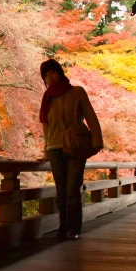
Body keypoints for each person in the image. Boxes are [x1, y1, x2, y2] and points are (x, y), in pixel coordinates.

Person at [38, 59, 103, 240]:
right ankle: (63, 227)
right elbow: (46, 127)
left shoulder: (76, 92)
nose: (49, 77)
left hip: (75, 145)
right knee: (61, 191)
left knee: (72, 189)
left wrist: (97, 140)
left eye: (52, 73)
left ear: (59, 73)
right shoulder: (47, 98)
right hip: (54, 148)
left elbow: (90, 116)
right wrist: (45, 150)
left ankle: (73, 229)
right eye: (45, 75)